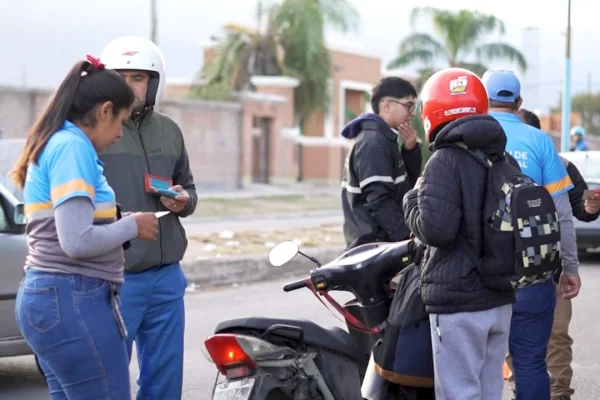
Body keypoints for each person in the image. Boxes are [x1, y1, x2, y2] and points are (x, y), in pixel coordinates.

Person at [10, 56, 159, 400]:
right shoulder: (72, 146)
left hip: (56, 297)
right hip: (72, 299)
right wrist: (132, 226)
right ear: (105, 111)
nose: (121, 133)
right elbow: (76, 241)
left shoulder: (59, 142)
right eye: (121, 120)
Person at [403, 67, 515, 400]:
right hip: (500, 299)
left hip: (460, 303)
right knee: (488, 391)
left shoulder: (444, 160)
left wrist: (410, 199)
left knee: (459, 393)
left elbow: (436, 230)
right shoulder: (503, 159)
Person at [98, 36, 198, 399]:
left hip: (167, 278)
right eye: (120, 77)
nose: (130, 86)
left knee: (165, 383)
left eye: (138, 77)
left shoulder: (169, 130)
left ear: (153, 82)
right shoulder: (94, 131)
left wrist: (184, 202)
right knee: (107, 382)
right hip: (114, 279)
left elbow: (188, 187)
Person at [483, 69, 580, 400]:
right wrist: (569, 268)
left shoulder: (468, 138)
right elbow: (562, 215)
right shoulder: (540, 141)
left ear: (482, 101)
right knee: (530, 362)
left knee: (477, 366)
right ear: (519, 103)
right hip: (534, 271)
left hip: (481, 274)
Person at [503, 108, 600, 400]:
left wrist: (591, 208)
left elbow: (577, 210)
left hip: (550, 267)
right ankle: (523, 385)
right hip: (507, 268)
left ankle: (558, 392)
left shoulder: (562, 165)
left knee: (556, 335)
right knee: (511, 339)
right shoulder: (494, 162)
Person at [341, 76, 422, 249]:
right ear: (387, 105)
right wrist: (408, 238)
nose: (412, 113)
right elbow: (379, 201)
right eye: (408, 105)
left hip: (382, 244)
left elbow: (406, 185)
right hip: (375, 247)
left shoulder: (383, 139)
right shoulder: (373, 143)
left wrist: (410, 150)